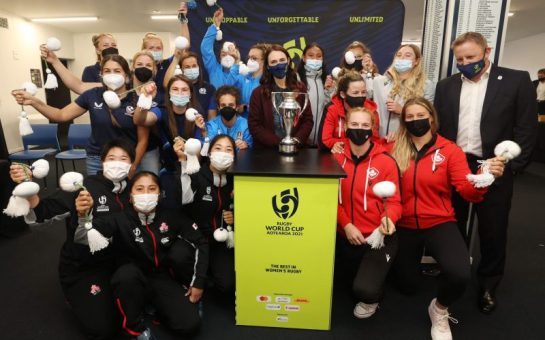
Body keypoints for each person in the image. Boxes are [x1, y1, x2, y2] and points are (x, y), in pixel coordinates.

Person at [434, 32, 537, 314]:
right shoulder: (446, 87)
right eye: (460, 59)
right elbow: (440, 129)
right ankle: (454, 272)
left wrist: (510, 167)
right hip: (456, 164)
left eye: (471, 57)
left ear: (487, 52)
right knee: (452, 222)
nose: (466, 63)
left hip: (495, 165)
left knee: (493, 227)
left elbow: (526, 129)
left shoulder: (516, 81)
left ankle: (489, 283)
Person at [390, 97, 505, 340]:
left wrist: (481, 180)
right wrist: (338, 146)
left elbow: (466, 190)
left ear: (431, 117)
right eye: (409, 117)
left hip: (438, 221)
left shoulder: (450, 150)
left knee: (460, 273)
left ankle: (439, 308)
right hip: (404, 223)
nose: (415, 120)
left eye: (420, 115)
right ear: (403, 121)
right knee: (407, 287)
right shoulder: (392, 146)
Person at [8, 139, 135, 339]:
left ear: (131, 164)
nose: (117, 163)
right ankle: (73, 294)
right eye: (111, 158)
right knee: (103, 327)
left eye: (123, 158)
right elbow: (43, 211)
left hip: (119, 261)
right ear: (102, 162)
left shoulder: (133, 191)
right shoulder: (84, 187)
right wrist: (27, 186)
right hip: (84, 267)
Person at [80, 171, 208, 339]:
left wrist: (198, 283)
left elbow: (201, 243)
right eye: (140, 189)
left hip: (160, 277)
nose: (146, 194)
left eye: (151, 188)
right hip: (132, 279)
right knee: (125, 276)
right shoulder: (118, 219)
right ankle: (135, 329)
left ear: (160, 195)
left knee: (190, 325)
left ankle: (156, 307)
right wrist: (84, 216)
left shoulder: (171, 216)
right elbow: (83, 237)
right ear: (131, 196)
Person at [12, 54, 150, 176]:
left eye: (117, 71)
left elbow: (143, 139)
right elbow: (60, 115)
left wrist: (134, 165)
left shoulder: (138, 99)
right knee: (98, 199)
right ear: (101, 75)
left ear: (126, 75)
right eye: (107, 71)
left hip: (127, 159)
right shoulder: (92, 95)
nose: (112, 74)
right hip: (97, 158)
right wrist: (34, 101)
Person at [334, 107, 401, 319]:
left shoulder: (386, 161)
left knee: (364, 290)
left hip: (376, 237)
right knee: (337, 285)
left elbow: (395, 201)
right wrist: (345, 224)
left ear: (372, 128)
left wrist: (388, 218)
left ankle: (375, 292)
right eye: (354, 124)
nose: (359, 129)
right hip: (345, 234)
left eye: (365, 125)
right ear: (346, 126)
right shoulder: (334, 159)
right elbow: (327, 199)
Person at [175, 135, 236, 295]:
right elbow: (183, 198)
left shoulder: (235, 180)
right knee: (178, 258)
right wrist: (183, 161)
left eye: (229, 150)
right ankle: (195, 279)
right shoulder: (196, 174)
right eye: (218, 148)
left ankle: (207, 277)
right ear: (209, 153)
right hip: (195, 240)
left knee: (227, 284)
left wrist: (236, 217)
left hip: (219, 240)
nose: (223, 153)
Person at [248, 44, 313, 149]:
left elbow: (308, 120)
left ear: (288, 61)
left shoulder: (300, 88)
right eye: (273, 62)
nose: (278, 64)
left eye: (282, 60)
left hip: (297, 149)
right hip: (268, 152)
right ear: (268, 67)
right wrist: (280, 143)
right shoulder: (258, 93)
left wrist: (295, 141)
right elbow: (254, 126)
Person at [373, 44, 435, 139]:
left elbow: (427, 117)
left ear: (416, 61)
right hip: (379, 140)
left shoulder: (426, 85)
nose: (402, 58)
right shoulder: (379, 82)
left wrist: (402, 111)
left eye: (407, 55)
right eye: (399, 55)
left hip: (407, 140)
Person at [141, 3, 191, 108]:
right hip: (145, 105)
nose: (155, 50)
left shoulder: (168, 63)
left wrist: (183, 19)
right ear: (144, 50)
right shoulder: (140, 67)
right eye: (151, 48)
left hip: (165, 107)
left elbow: (183, 44)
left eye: (158, 48)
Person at [320, 71, 380, 153]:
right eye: (355, 93)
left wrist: (341, 144)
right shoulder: (332, 109)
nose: (360, 96)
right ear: (343, 94)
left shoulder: (371, 111)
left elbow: (374, 141)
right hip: (336, 157)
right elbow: (325, 141)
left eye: (363, 92)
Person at [164, 51, 217, 120]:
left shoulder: (210, 88)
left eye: (194, 66)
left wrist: (205, 130)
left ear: (199, 67)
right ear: (181, 69)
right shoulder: (178, 86)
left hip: (201, 126)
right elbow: (166, 84)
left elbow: (212, 117)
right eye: (187, 67)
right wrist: (176, 58)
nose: (191, 69)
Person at [296, 43, 329, 147]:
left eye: (319, 56)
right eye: (311, 55)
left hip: (320, 142)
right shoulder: (296, 79)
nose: (315, 59)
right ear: (303, 58)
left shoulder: (326, 80)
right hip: (300, 140)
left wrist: (329, 90)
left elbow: (328, 109)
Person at [200, 8, 240, 89]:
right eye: (223, 54)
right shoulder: (214, 68)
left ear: (237, 54)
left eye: (231, 53)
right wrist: (216, 24)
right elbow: (205, 48)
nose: (227, 56)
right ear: (219, 57)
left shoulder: (243, 71)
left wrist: (237, 63)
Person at [204, 86, 252, 151]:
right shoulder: (212, 125)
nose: (227, 108)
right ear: (218, 107)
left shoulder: (246, 125)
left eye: (231, 105)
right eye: (223, 105)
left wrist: (246, 145)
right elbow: (210, 148)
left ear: (237, 107)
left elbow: (251, 147)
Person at [229, 43, 269, 119]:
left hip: (260, 124)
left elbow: (267, 107)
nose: (250, 61)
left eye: (254, 58)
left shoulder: (267, 81)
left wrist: (246, 107)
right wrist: (236, 62)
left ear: (264, 61)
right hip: (243, 126)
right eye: (249, 57)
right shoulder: (242, 78)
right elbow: (228, 88)